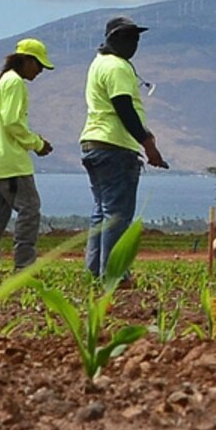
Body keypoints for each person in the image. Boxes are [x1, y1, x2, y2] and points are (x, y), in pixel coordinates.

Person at [81, 14, 168, 276]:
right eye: (130, 38)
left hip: (94, 145)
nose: (135, 44)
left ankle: (95, 272)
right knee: (117, 216)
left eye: (137, 38)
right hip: (114, 147)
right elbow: (123, 108)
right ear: (114, 38)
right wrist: (147, 144)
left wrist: (145, 134)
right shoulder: (117, 66)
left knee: (102, 214)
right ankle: (115, 275)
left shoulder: (99, 64)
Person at [0, 37, 58, 281]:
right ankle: (24, 269)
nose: (40, 71)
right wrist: (37, 143)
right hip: (12, 163)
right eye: (39, 65)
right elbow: (12, 121)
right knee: (29, 211)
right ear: (26, 60)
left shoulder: (0, 80)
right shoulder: (15, 83)